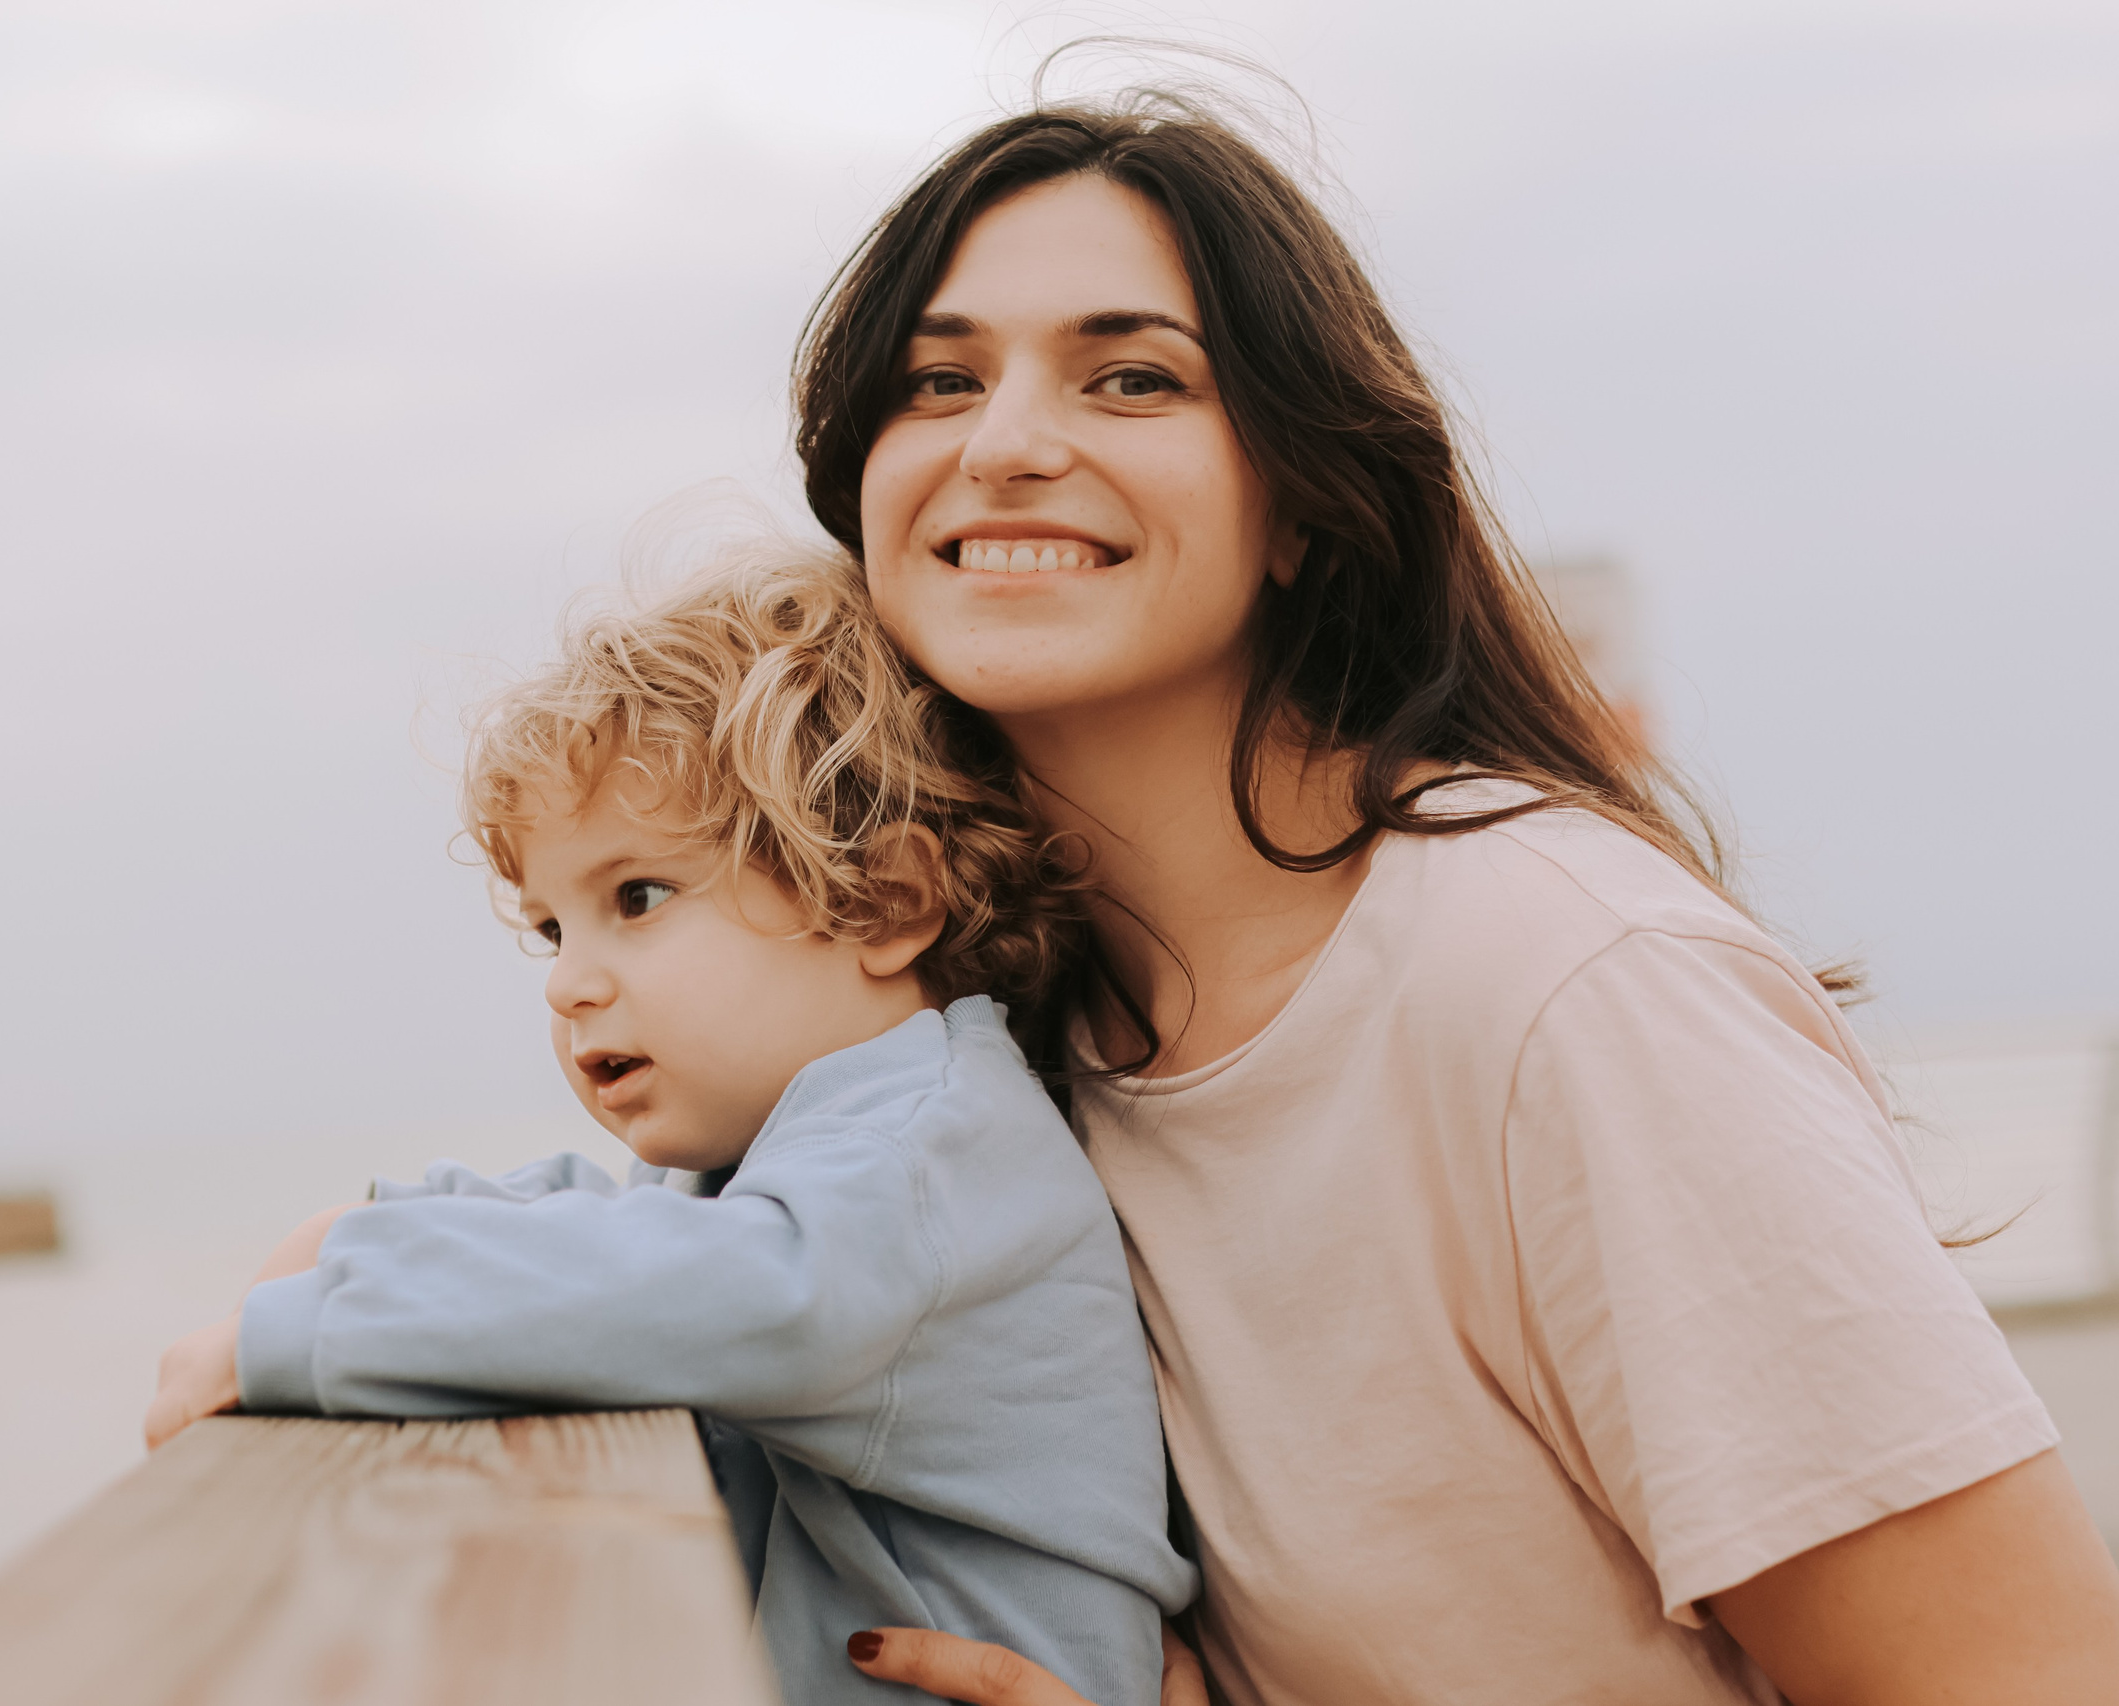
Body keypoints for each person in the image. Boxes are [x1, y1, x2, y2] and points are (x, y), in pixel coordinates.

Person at [793, 94, 2119, 1705]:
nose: (1001, 442)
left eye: (1132, 374)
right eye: (938, 380)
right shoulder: (995, 1036)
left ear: (1301, 502)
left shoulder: (1570, 985)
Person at [142, 552, 1200, 1706]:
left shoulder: (931, 1145)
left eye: (636, 897)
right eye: (552, 927)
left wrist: (312, 1321)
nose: (567, 983)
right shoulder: (808, 1152)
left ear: (886, 901)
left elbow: (731, 1289)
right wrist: (371, 1218)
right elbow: (628, 1230)